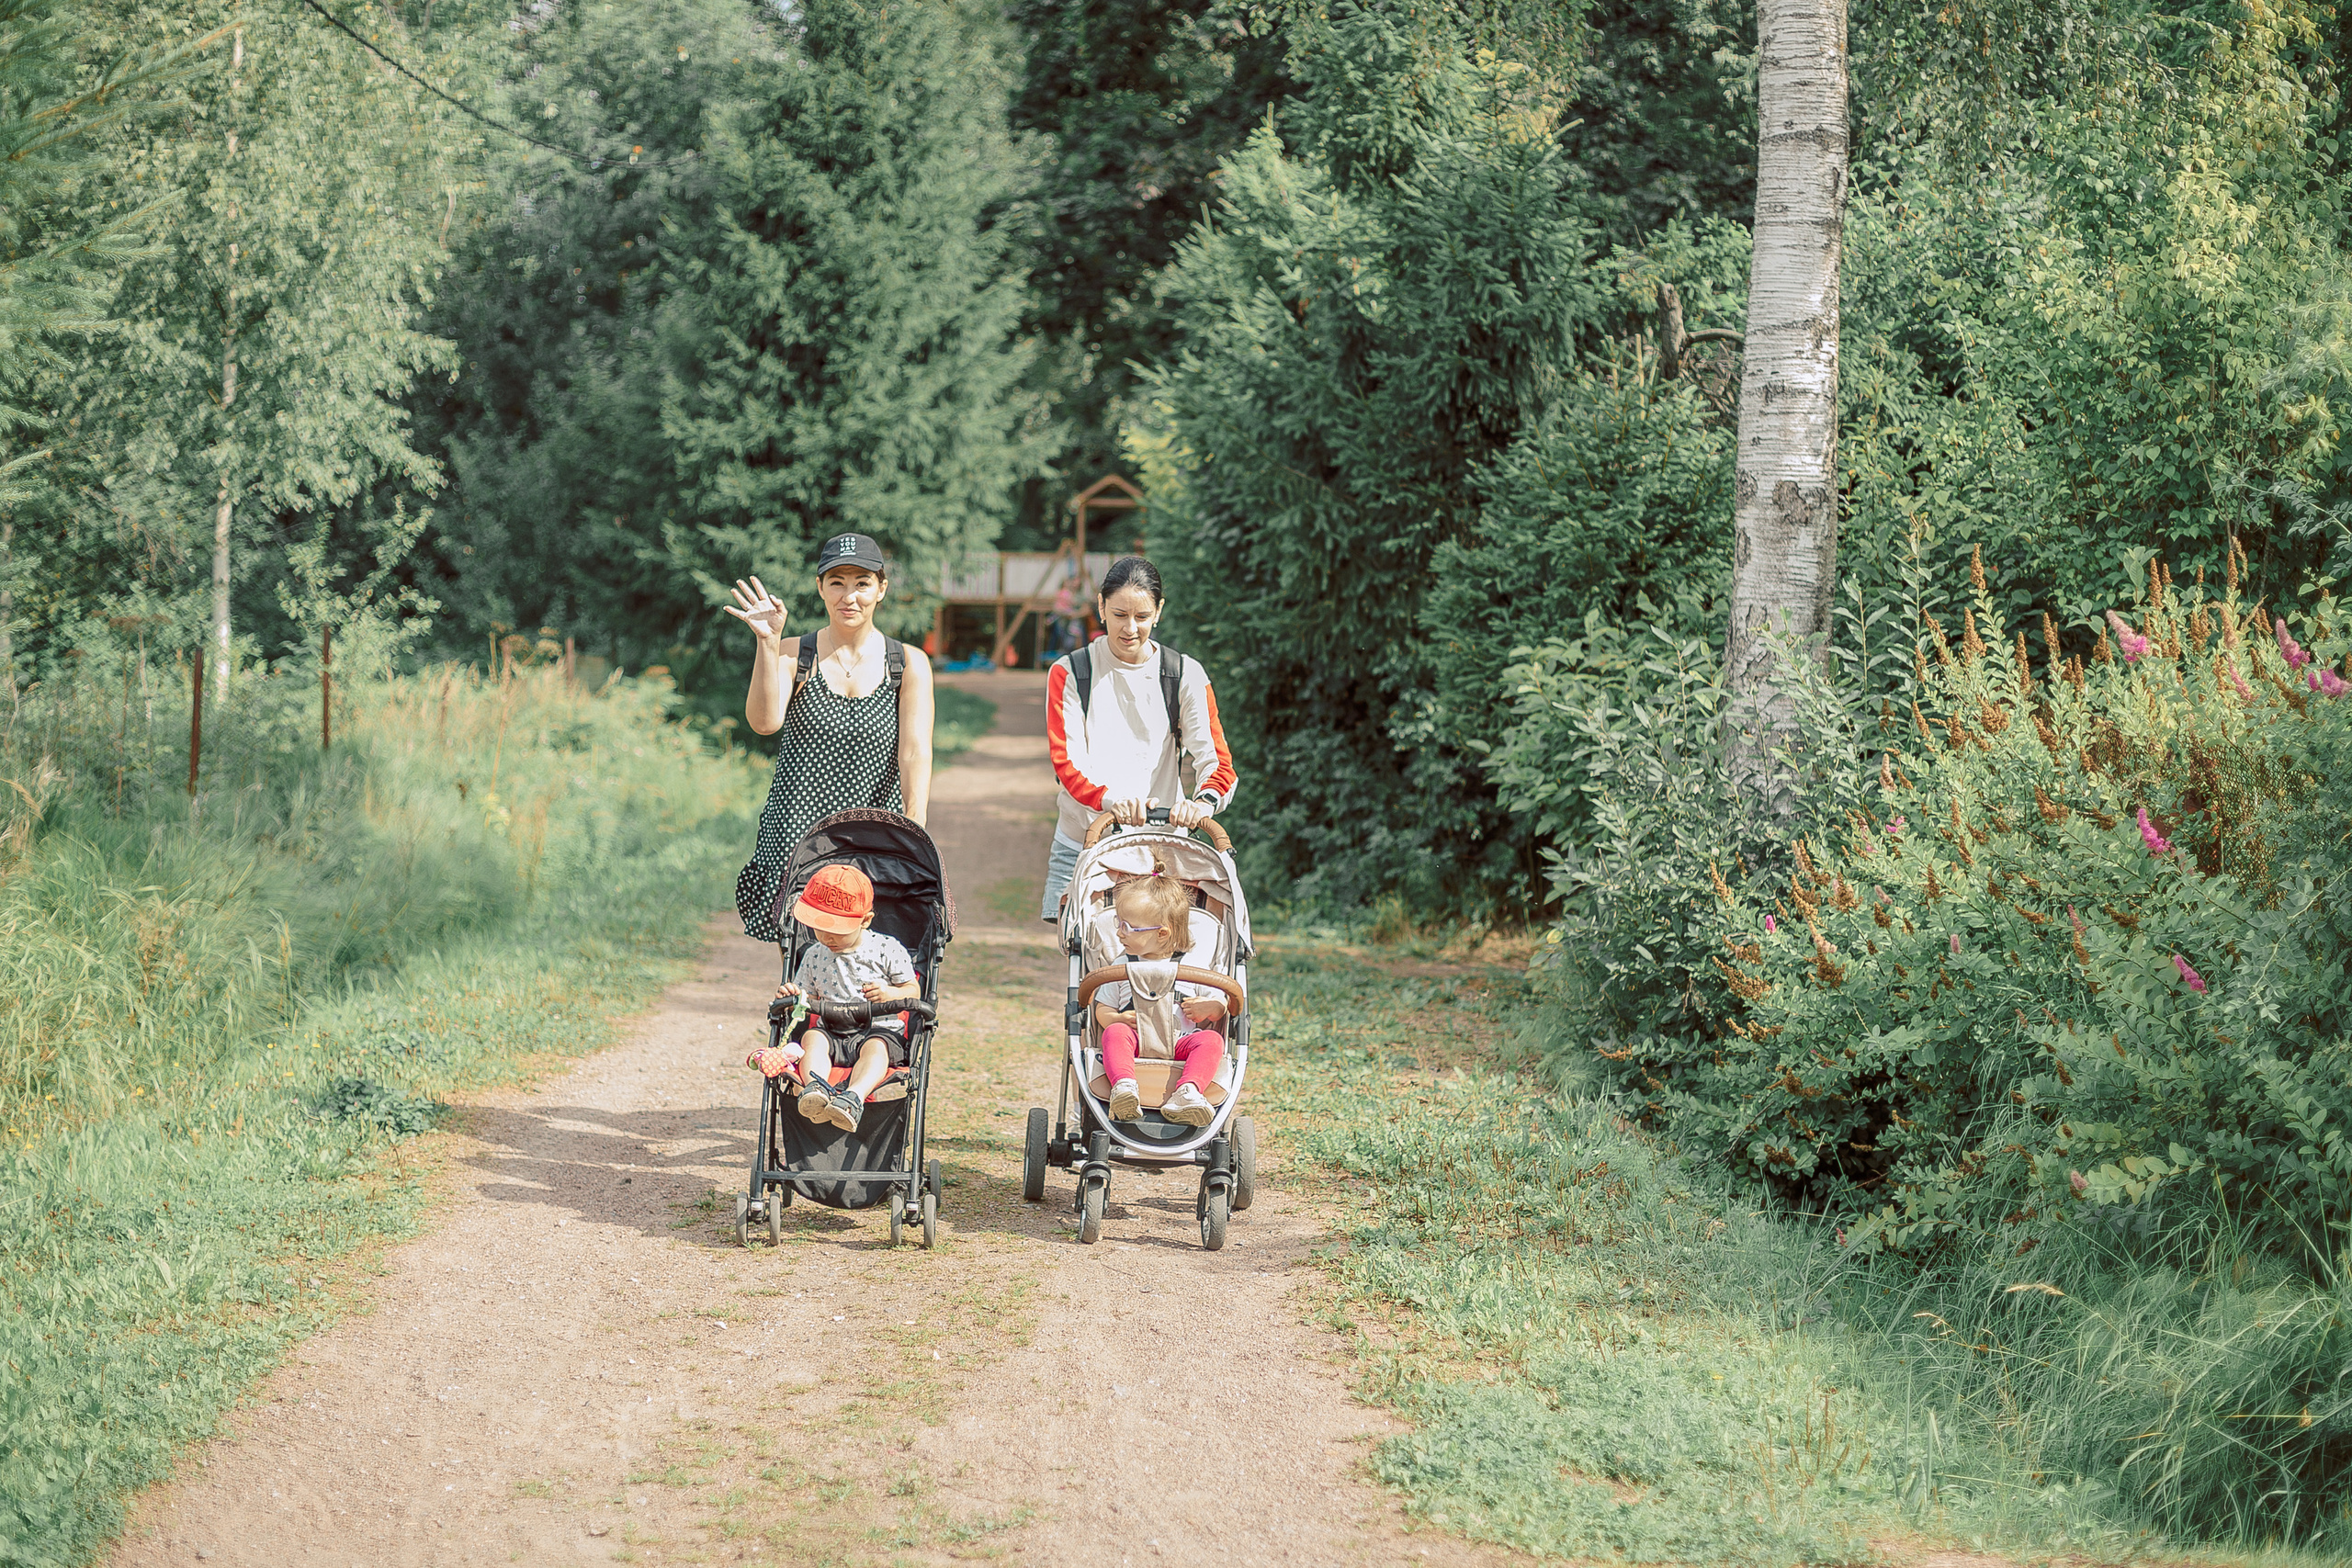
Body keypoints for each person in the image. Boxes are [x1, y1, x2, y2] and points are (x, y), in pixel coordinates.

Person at [728, 533, 935, 944]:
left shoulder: (907, 663)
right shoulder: (794, 654)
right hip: (799, 835)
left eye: (862, 583)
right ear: (820, 586)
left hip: (874, 836)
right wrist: (767, 643)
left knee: (869, 954)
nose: (849, 595)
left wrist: (915, 825)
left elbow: (914, 751)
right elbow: (764, 722)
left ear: (881, 589)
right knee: (806, 959)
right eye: (837, 582)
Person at [1041, 555, 1238, 923]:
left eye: (1142, 617)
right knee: (1089, 961)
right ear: (1100, 606)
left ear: (1159, 611)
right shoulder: (1070, 672)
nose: (1130, 628)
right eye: (1119, 615)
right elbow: (1067, 764)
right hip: (1087, 839)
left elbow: (1218, 762)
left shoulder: (1184, 675)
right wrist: (1112, 801)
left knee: (1170, 958)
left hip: (1163, 850)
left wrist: (1202, 804)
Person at [774, 865, 922, 1134]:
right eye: (819, 928)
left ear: (865, 920)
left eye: (836, 929)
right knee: (811, 1039)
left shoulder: (887, 949)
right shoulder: (814, 954)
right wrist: (793, 994)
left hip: (877, 1030)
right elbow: (808, 996)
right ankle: (815, 1088)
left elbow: (913, 991)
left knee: (877, 1049)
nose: (826, 937)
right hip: (831, 1028)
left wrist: (891, 994)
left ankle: (853, 1097)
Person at [1093, 853, 1226, 1126]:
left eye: (1128, 928)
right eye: (1118, 924)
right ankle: (1125, 1086)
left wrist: (1210, 1007)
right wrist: (1117, 1019)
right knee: (1115, 1033)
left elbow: (1220, 1006)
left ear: (1162, 933)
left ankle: (1187, 1092)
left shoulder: (1195, 966)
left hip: (1180, 1043)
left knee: (1212, 1041)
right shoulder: (1121, 965)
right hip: (1136, 1041)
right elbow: (1102, 1009)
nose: (1119, 933)